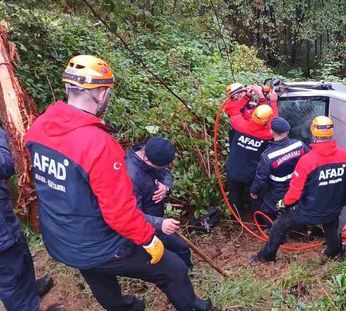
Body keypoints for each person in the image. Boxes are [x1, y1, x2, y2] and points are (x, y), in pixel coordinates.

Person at [24, 55, 212, 311]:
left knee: (96, 272)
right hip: (99, 243)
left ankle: (126, 307)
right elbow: (118, 212)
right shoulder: (98, 144)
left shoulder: (39, 128)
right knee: (173, 269)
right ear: (100, 94)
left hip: (62, 239)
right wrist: (149, 239)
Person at [252, 116, 346, 263]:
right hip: (333, 208)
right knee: (331, 226)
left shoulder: (307, 161)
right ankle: (333, 252)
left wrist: (283, 204)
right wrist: (339, 199)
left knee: (279, 224)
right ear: (331, 133)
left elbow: (295, 194)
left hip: (308, 212)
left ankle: (266, 256)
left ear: (313, 133)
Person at [0, 128, 59, 311]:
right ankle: (27, 306)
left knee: (20, 255)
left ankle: (29, 290)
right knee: (9, 272)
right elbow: (5, 165)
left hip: (4, 218)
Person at [126, 136, 192, 269]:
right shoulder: (131, 178)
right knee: (181, 250)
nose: (163, 168)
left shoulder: (152, 153)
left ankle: (184, 272)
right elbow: (131, 215)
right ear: (146, 159)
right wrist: (159, 223)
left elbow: (165, 172)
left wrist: (166, 187)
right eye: (159, 166)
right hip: (145, 227)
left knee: (180, 250)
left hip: (156, 218)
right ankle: (184, 275)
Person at [225, 86, 278, 216]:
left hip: (233, 170)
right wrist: (270, 101)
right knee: (256, 196)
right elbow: (274, 121)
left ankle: (237, 216)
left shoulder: (239, 124)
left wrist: (246, 97)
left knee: (235, 194)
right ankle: (257, 218)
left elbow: (232, 109)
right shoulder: (268, 133)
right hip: (252, 175)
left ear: (252, 115)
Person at [249, 117, 308, 223]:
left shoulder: (268, 156)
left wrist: (254, 191)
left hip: (278, 191)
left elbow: (260, 178)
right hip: (298, 187)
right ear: (287, 131)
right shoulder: (300, 145)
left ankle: (273, 233)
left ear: (271, 131)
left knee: (266, 211)